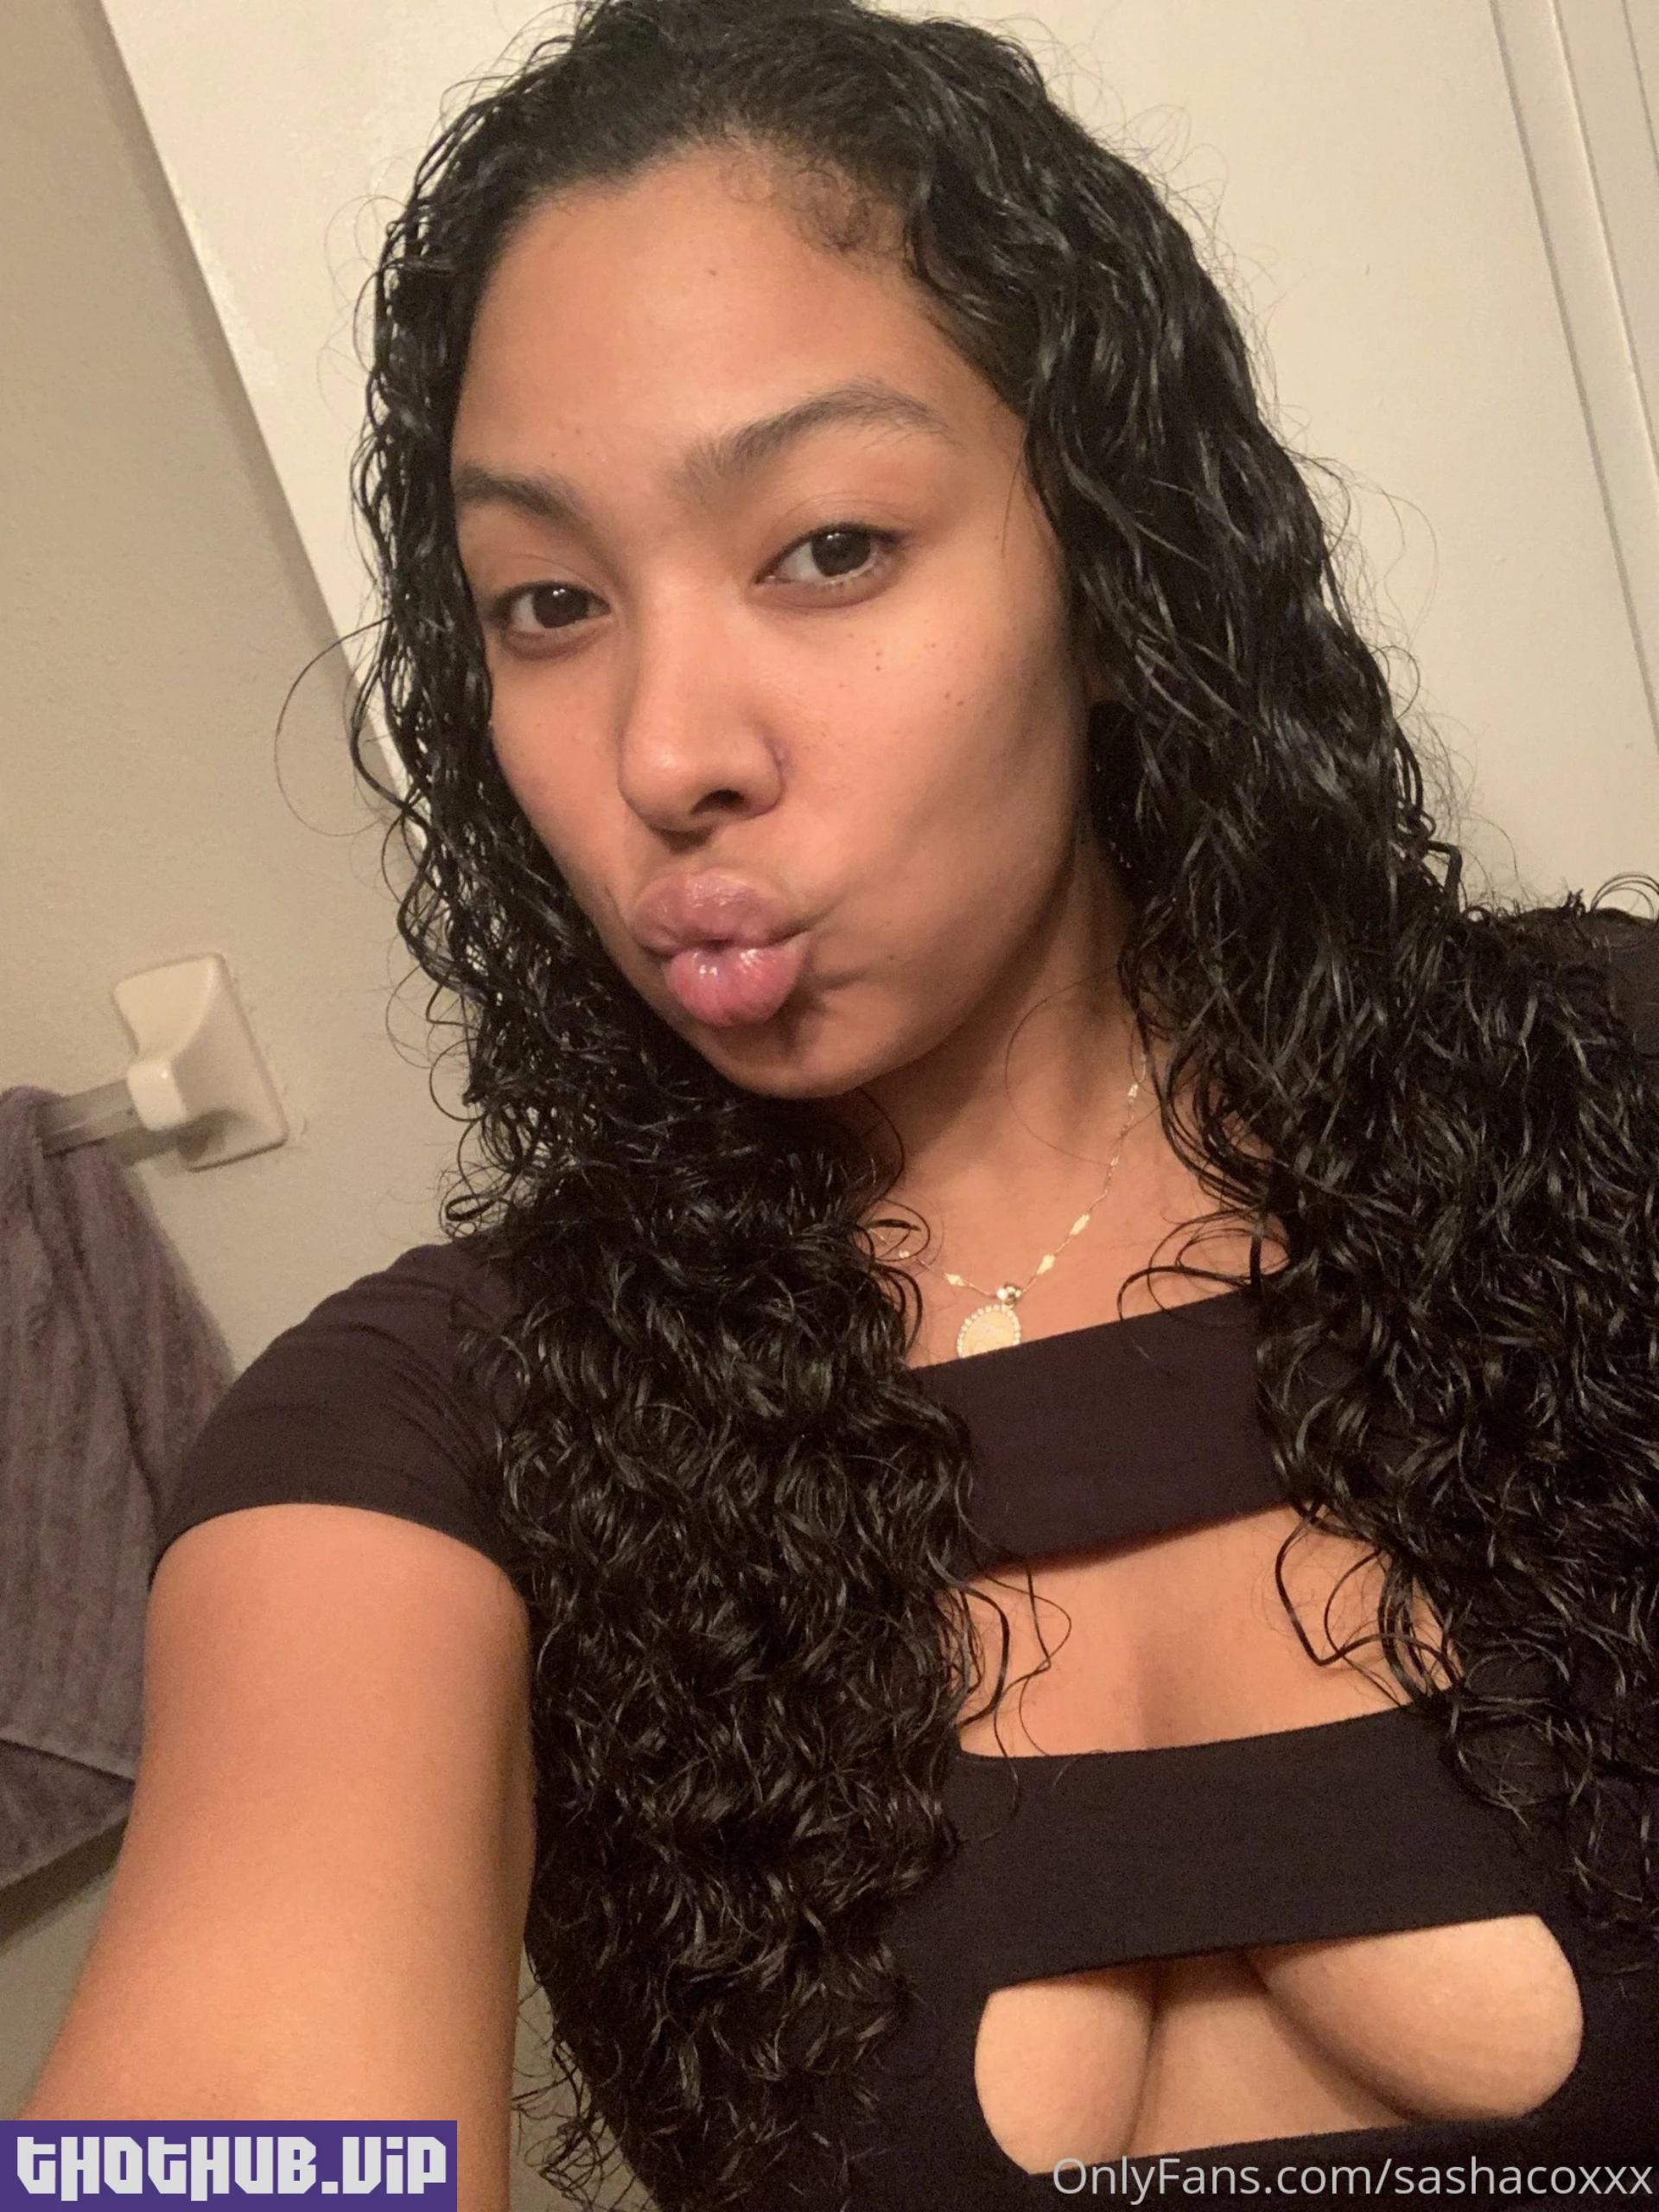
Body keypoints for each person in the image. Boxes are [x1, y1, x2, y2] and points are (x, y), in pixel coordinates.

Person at [23, 0, 1659, 2205]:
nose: (665, 749)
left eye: (827, 548)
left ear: (1112, 564)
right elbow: (229, 2119)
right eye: (549, 602)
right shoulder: (429, 1430)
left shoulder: (1609, 1110)